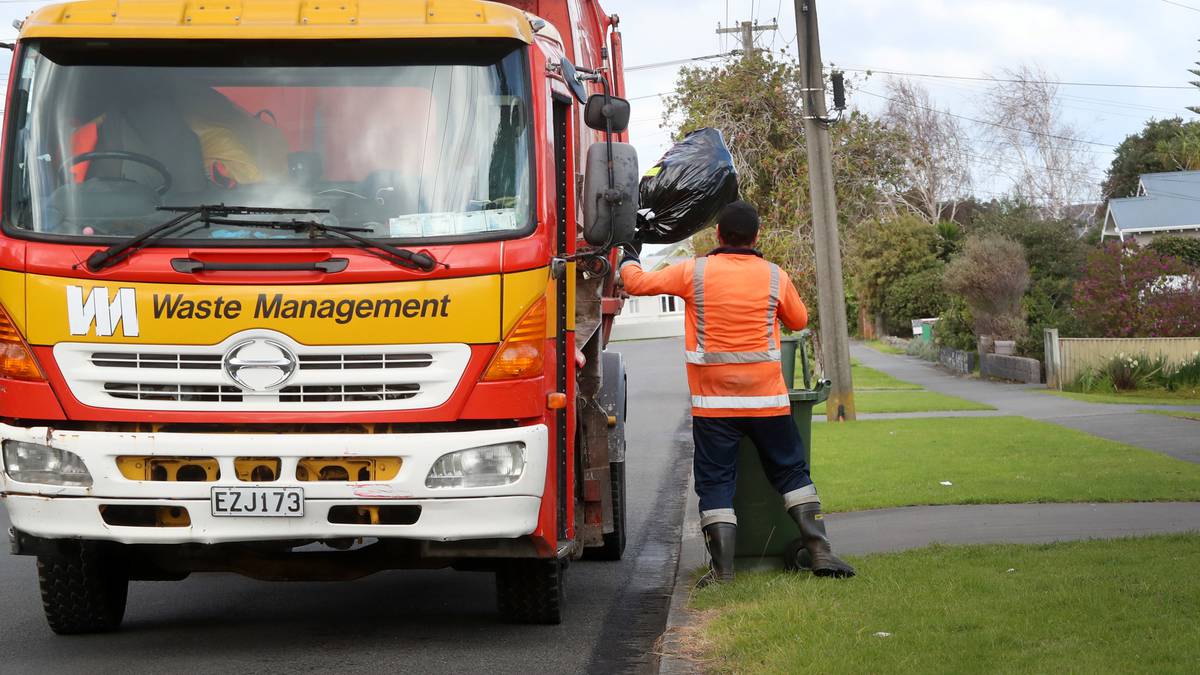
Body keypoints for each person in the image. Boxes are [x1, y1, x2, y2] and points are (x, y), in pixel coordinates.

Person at [620, 200, 855, 584]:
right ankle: (819, 550)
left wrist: (628, 252)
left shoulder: (694, 273)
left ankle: (724, 571)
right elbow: (798, 320)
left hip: (715, 407)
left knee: (715, 483)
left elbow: (636, 283)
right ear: (756, 236)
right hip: (767, 402)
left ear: (718, 235)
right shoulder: (775, 276)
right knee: (792, 472)